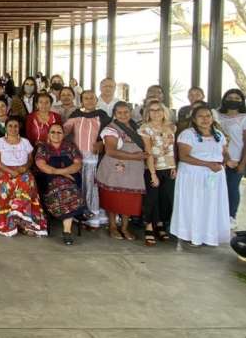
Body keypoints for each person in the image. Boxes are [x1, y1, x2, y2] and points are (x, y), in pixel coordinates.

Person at [171, 106, 230, 246]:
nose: (205, 119)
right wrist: (207, 164)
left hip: (214, 175)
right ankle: (192, 234)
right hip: (193, 175)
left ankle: (208, 235)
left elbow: (224, 152)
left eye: (208, 116)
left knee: (211, 205)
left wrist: (224, 161)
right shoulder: (188, 134)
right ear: (194, 119)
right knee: (195, 204)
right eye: (201, 116)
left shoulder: (218, 134)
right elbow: (184, 156)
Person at [96, 102, 147, 241]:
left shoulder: (138, 127)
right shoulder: (111, 129)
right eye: (120, 113)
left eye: (126, 112)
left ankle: (125, 227)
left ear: (131, 112)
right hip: (115, 168)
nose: (123, 115)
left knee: (128, 199)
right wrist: (135, 156)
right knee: (113, 198)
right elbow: (110, 151)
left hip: (134, 170)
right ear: (115, 114)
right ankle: (112, 226)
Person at [0, 117, 47, 237]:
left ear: (19, 128)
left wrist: (24, 168)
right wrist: (10, 171)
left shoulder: (25, 142)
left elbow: (31, 159)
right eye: (10, 125)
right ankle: (10, 223)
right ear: (5, 127)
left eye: (15, 126)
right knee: (5, 186)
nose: (13, 128)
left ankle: (25, 224)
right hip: (5, 170)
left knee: (26, 183)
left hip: (23, 171)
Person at [35, 124, 89, 245]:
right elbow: (42, 166)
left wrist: (62, 173)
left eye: (59, 132)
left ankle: (67, 230)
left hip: (71, 178)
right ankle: (78, 214)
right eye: (53, 132)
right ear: (48, 134)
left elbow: (77, 164)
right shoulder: (43, 148)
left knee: (68, 189)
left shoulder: (70, 146)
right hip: (49, 179)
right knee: (64, 189)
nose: (56, 134)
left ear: (63, 134)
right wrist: (63, 173)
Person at [63, 91, 110, 228]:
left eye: (92, 98)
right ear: (81, 101)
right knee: (79, 186)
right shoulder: (76, 115)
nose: (89, 101)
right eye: (86, 98)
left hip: (94, 157)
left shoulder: (102, 116)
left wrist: (103, 142)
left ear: (96, 100)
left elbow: (110, 133)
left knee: (92, 186)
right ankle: (80, 216)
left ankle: (93, 217)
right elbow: (65, 130)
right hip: (77, 157)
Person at [138, 100, 177, 246]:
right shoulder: (144, 128)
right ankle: (148, 226)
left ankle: (160, 224)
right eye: (152, 110)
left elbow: (172, 149)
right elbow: (148, 152)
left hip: (168, 167)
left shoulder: (171, 127)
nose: (156, 113)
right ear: (148, 113)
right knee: (151, 198)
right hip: (152, 168)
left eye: (159, 109)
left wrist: (173, 166)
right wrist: (153, 173)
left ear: (164, 111)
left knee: (164, 198)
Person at [214, 89, 246, 227]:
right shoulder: (216, 115)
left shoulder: (244, 118)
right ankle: (216, 216)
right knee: (216, 189)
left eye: (237, 98)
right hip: (215, 159)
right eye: (230, 97)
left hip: (235, 159)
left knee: (232, 188)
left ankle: (230, 217)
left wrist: (243, 163)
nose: (233, 100)